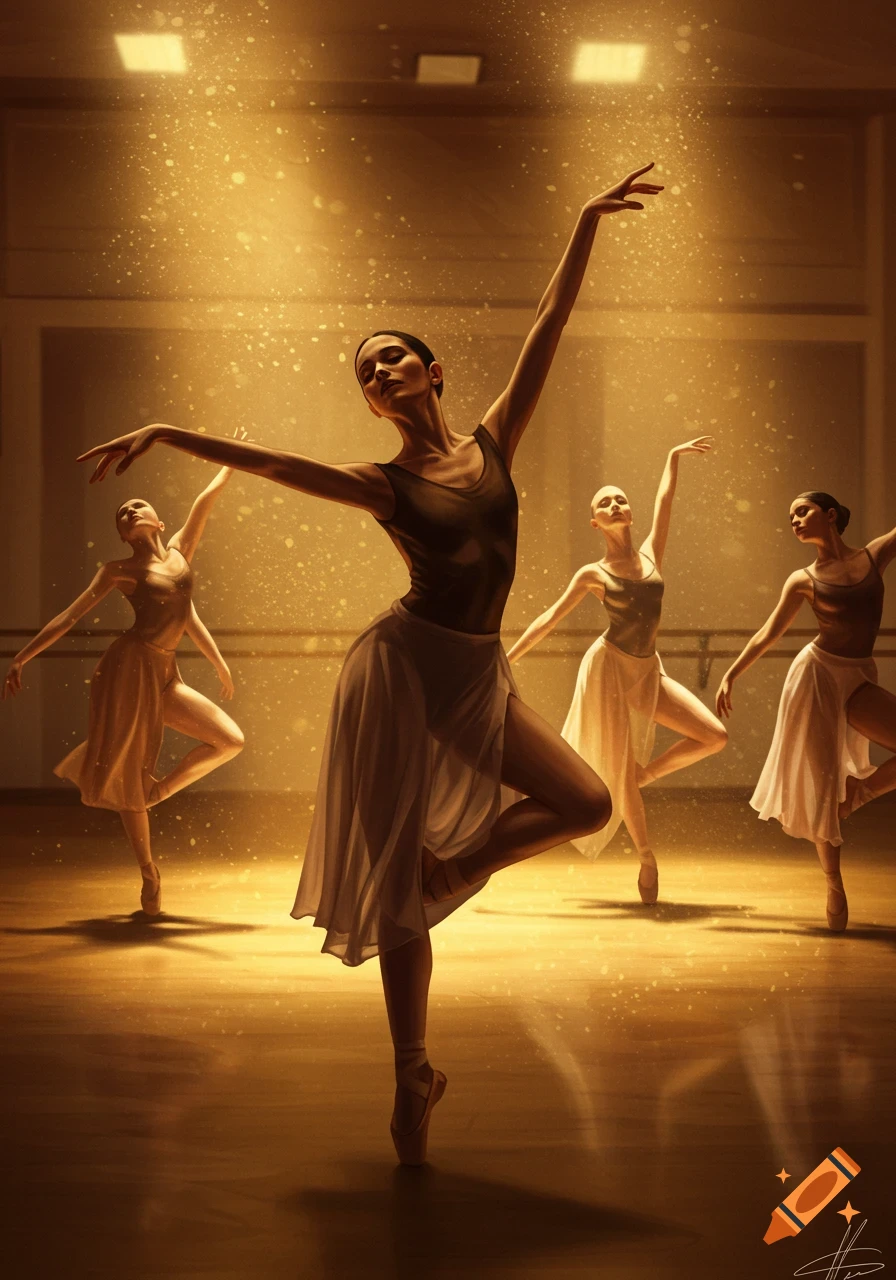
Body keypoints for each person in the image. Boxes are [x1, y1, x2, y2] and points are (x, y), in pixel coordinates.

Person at [76, 161, 663, 1164]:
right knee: (397, 877)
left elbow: (548, 327)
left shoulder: (492, 442)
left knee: (583, 801)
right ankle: (410, 1068)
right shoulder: (380, 481)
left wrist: (581, 220)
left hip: (474, 671)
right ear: (373, 402)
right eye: (368, 371)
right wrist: (171, 428)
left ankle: (455, 871)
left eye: (396, 359)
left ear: (432, 373)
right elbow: (272, 465)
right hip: (401, 669)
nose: (383, 372)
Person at [3, 466, 244, 916]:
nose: (130, 509)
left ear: (158, 522)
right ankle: (150, 873)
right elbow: (69, 617)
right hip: (130, 669)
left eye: (138, 505)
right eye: (122, 512)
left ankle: (154, 793)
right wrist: (22, 656)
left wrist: (228, 463)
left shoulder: (180, 555)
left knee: (230, 740)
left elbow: (202, 509)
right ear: (122, 533)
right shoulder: (118, 570)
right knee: (129, 768)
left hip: (165, 671)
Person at [507, 437, 726, 903]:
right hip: (609, 673)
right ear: (596, 522)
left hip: (649, 672)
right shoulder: (593, 573)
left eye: (620, 498)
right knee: (619, 772)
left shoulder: (650, 554)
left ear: (629, 512)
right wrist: (508, 659)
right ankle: (646, 856)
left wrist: (671, 457)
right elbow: (549, 617)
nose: (615, 503)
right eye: (605, 502)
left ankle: (640, 778)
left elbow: (666, 500)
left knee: (713, 735)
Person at [715, 491, 896, 932]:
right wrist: (731, 673)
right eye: (790, 515)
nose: (794, 520)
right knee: (821, 785)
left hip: (857, 675)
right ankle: (834, 885)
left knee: (841, 793)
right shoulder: (802, 579)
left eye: (803, 511)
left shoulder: (874, 556)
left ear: (830, 515)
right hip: (816, 678)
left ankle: (859, 795)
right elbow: (768, 633)